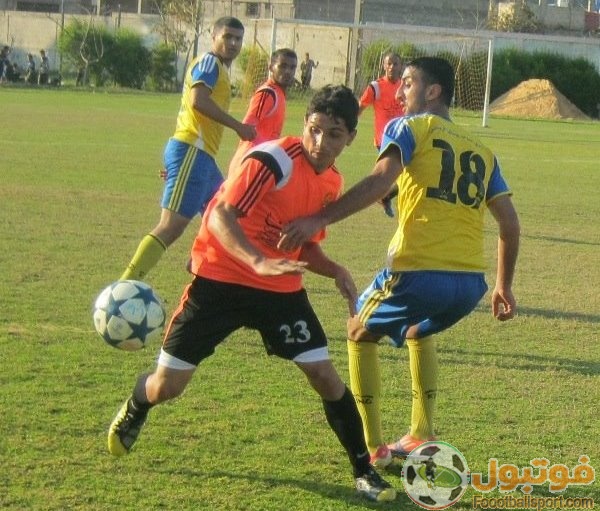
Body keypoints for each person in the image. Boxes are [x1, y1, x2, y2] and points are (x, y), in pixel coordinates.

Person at [107, 85, 397, 502]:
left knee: (324, 376)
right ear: (305, 124)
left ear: (351, 137)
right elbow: (221, 215)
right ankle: (138, 402)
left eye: (333, 134)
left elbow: (300, 243)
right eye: (314, 129)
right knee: (167, 387)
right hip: (219, 281)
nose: (320, 142)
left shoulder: (331, 183)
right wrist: (256, 260)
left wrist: (334, 269)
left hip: (278, 290)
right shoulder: (273, 160)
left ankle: (363, 471)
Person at [278, 57, 520, 469]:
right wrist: (504, 285)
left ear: (433, 91)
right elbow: (509, 223)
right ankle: (422, 433)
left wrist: (320, 218)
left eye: (408, 83)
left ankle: (373, 447)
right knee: (417, 329)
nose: (400, 91)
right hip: (469, 285)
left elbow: (380, 179)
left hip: (417, 271)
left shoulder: (408, 127)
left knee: (357, 331)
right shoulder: (482, 149)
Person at [119, 17, 256, 281]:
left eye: (238, 38)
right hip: (192, 149)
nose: (233, 43)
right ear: (213, 37)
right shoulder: (209, 62)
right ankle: (124, 286)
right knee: (171, 226)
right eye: (227, 37)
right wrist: (238, 126)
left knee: (223, 218)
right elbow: (198, 101)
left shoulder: (219, 68)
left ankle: (203, 268)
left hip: (201, 158)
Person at [227, 48, 298, 174]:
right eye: (282, 66)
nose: (288, 71)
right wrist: (272, 150)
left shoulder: (278, 94)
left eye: (292, 68)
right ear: (271, 67)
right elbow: (247, 128)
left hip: (260, 163)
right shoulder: (267, 93)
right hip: (248, 163)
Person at [358, 51, 405, 217]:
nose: (392, 67)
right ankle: (374, 196)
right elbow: (360, 108)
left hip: (404, 138)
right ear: (384, 65)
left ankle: (384, 196)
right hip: (384, 140)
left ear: (401, 66)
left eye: (395, 64)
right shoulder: (376, 87)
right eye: (389, 63)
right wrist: (350, 127)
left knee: (401, 175)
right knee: (401, 174)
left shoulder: (405, 86)